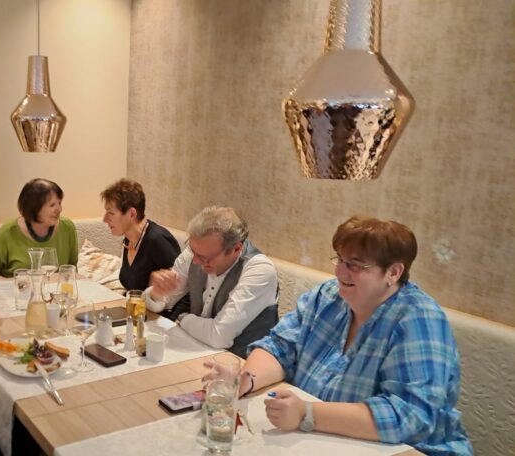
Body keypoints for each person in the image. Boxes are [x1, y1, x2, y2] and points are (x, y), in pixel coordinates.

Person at [213, 216, 471, 455]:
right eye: (340, 260)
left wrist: (307, 414)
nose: (340, 272)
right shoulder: (327, 296)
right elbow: (280, 347)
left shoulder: (418, 319)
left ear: (393, 273)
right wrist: (245, 380)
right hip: (325, 442)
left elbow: (409, 416)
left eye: (355, 265)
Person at [145, 206, 278, 356]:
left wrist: (183, 318)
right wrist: (156, 293)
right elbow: (164, 301)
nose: (196, 261)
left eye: (205, 258)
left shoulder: (260, 270)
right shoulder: (196, 252)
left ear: (236, 249)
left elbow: (219, 336)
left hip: (242, 361)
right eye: (193, 252)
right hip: (198, 351)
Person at [0, 178, 78, 280]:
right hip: (18, 289)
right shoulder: (9, 231)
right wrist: (8, 284)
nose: (59, 209)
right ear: (34, 207)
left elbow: (72, 269)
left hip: (53, 289)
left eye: (59, 203)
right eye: (52, 205)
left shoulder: (67, 228)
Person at [100, 178, 181, 292]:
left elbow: (181, 291)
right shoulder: (128, 239)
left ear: (132, 214)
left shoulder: (157, 239)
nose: (104, 219)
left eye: (111, 213)